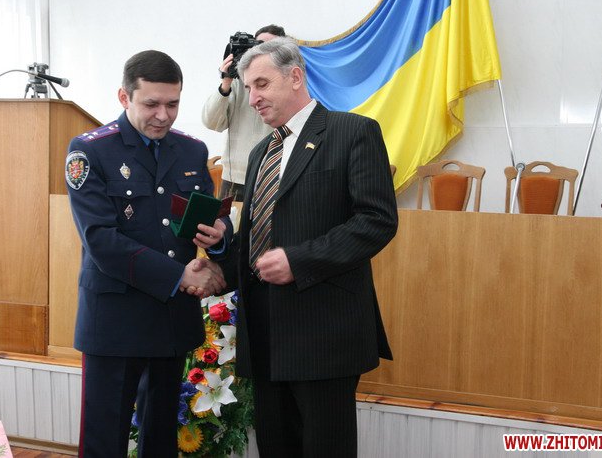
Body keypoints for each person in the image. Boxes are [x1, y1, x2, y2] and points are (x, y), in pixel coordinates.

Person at [223, 37, 398, 457]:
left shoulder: (353, 132)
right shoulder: (261, 151)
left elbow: (376, 221)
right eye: (248, 88)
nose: (253, 98)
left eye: (261, 84)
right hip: (264, 332)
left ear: (295, 77)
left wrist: (299, 261)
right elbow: (256, 238)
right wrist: (217, 259)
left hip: (323, 335)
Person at [65, 49, 230, 458]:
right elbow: (101, 240)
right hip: (115, 320)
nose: (163, 115)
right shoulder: (91, 150)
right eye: (151, 104)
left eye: (173, 104)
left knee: (161, 440)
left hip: (171, 320)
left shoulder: (191, 150)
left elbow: (207, 217)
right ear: (124, 97)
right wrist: (180, 276)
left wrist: (218, 236)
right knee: (105, 441)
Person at [201, 24, 286, 201]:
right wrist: (226, 82)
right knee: (230, 220)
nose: (263, 53)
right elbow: (211, 122)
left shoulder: (287, 83)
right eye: (259, 46)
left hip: (272, 177)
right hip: (235, 179)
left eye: (271, 49)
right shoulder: (237, 83)